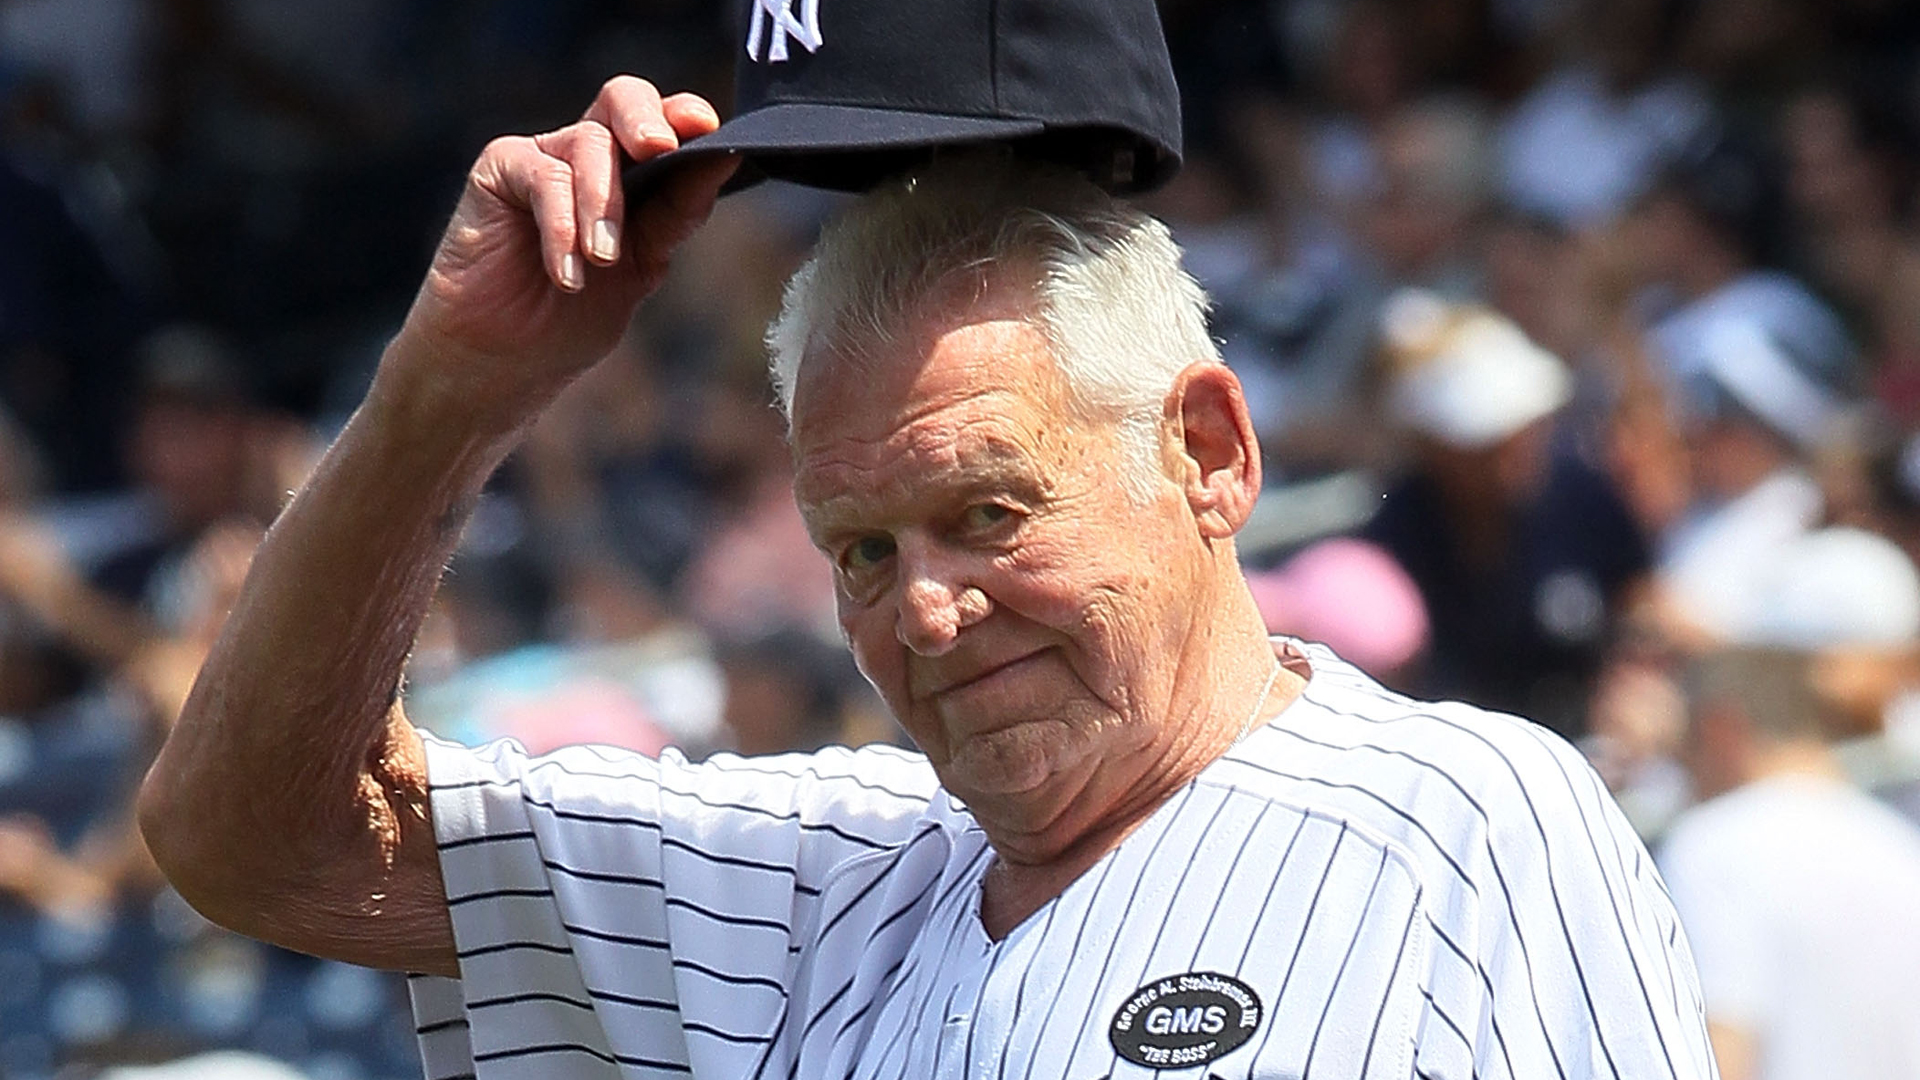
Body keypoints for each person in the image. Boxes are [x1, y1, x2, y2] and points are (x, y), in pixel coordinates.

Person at [136, 77, 1715, 1079]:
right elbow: (258, 840)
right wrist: (448, 396)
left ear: (1211, 454)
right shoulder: (828, 865)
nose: (927, 609)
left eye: (990, 512)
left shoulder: (1463, 821)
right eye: (864, 551)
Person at [1661, 647, 1920, 1080]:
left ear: (1720, 729)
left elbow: (1723, 1051)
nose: (1683, 769)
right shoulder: (1898, 845)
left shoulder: (1714, 844)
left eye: (1683, 746)